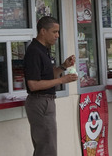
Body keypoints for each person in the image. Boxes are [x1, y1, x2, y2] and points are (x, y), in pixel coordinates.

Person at [24, 16, 78, 156]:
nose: (57, 36)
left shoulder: (44, 49)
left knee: (48, 146)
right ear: (43, 31)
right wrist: (62, 81)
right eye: (54, 32)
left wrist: (63, 66)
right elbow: (33, 84)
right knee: (47, 148)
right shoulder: (34, 51)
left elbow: (48, 76)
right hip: (40, 101)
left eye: (58, 32)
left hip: (46, 100)